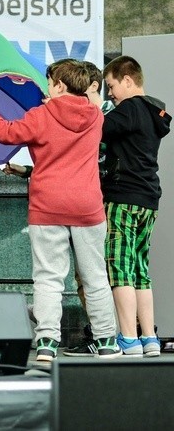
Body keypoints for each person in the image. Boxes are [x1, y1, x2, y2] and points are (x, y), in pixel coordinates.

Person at [0, 59, 120, 362]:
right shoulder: (96, 116)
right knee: (96, 276)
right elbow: (83, 106)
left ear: (59, 85)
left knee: (48, 278)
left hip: (48, 204)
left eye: (50, 83)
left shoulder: (42, 115)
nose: (48, 88)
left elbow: (4, 131)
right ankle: (107, 341)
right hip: (88, 205)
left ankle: (47, 342)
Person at [100, 55, 170, 357]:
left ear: (128, 80)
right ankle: (149, 339)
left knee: (119, 269)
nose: (110, 94)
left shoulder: (128, 110)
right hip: (149, 199)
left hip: (122, 198)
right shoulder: (156, 111)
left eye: (111, 86)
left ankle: (128, 338)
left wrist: (89, 106)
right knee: (141, 269)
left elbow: (95, 129)